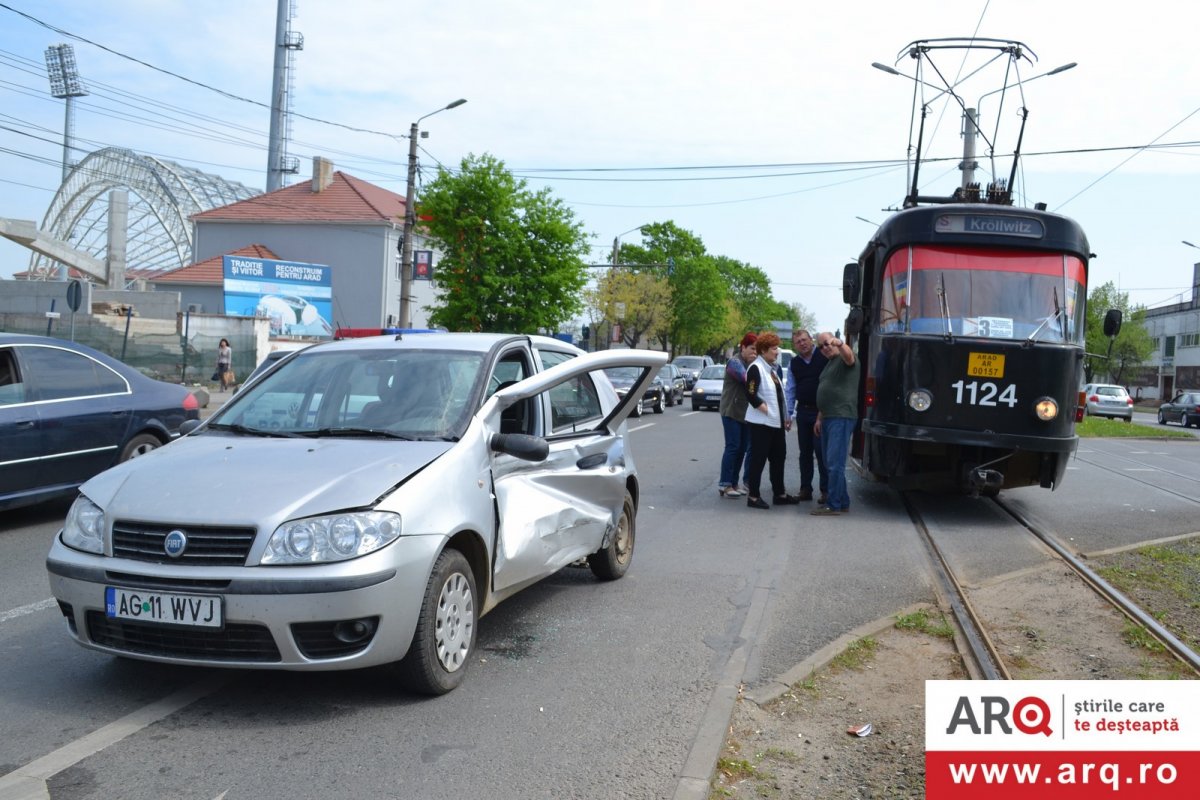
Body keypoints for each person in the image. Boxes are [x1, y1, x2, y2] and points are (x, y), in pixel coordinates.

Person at [742, 332, 797, 509]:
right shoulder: (756, 368)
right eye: (774, 349)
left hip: (776, 423)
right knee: (758, 459)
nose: (777, 352)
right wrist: (763, 407)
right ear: (764, 350)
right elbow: (750, 392)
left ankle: (779, 494)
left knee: (779, 458)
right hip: (761, 423)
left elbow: (779, 396)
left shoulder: (771, 369)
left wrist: (786, 417)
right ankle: (753, 496)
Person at [811, 332, 859, 516]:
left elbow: (849, 357)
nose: (825, 348)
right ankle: (843, 501)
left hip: (841, 416)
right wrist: (819, 418)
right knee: (830, 461)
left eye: (827, 343)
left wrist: (839, 343)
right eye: (821, 346)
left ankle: (833, 504)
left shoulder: (844, 357)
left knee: (834, 463)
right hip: (829, 417)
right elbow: (827, 392)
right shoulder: (829, 364)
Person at [785, 329, 829, 503]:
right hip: (803, 412)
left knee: (821, 451)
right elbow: (790, 390)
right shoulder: (794, 363)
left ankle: (825, 490)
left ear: (811, 340)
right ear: (794, 346)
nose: (802, 344)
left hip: (822, 412)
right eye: (798, 342)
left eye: (804, 340)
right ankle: (805, 489)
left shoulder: (824, 357)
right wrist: (788, 414)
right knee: (805, 453)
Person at [718, 332, 757, 498]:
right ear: (743, 347)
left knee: (742, 449)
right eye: (751, 349)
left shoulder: (751, 363)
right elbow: (747, 380)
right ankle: (725, 483)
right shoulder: (734, 362)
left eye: (757, 350)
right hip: (731, 411)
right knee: (733, 447)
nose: (754, 353)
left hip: (745, 413)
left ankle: (734, 483)